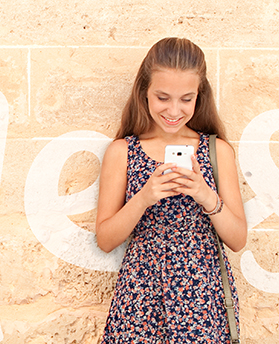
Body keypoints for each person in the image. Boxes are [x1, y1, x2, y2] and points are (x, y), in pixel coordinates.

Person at [96, 37, 247, 343]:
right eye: (163, 97)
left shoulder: (218, 151)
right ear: (145, 93)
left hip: (203, 302)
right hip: (139, 300)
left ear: (199, 97)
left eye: (186, 99)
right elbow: (106, 239)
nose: (174, 110)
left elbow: (238, 239)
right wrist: (144, 198)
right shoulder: (122, 152)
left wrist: (206, 196)